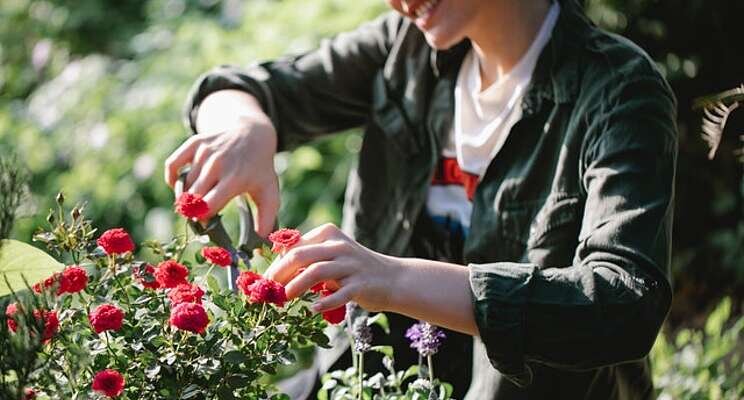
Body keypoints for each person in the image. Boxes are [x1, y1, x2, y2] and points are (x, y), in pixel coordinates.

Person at [165, 0, 677, 398]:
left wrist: (391, 279)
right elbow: (241, 88)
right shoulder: (403, 48)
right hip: (365, 379)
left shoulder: (617, 89)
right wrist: (245, 128)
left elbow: (622, 302)